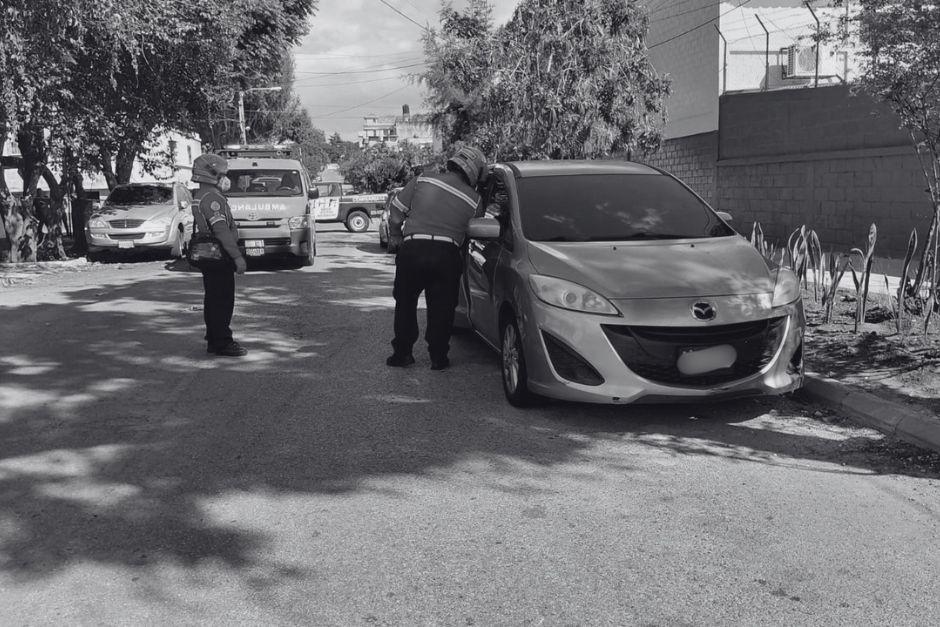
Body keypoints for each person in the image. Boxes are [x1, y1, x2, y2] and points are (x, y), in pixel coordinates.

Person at [386, 145, 487, 370]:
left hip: (412, 249)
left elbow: (396, 211)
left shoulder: (423, 180)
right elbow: (473, 232)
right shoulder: (475, 201)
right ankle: (438, 358)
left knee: (405, 303)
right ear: (475, 173)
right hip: (447, 255)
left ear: (453, 162)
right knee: (442, 308)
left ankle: (402, 354)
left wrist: (395, 235)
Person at [190, 153, 249, 357]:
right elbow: (222, 231)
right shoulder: (212, 198)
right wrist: (237, 258)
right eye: (223, 174)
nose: (227, 178)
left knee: (213, 298)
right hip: (220, 255)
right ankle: (223, 341)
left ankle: (213, 339)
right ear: (211, 174)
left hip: (209, 255)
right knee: (222, 300)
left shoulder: (200, 195)